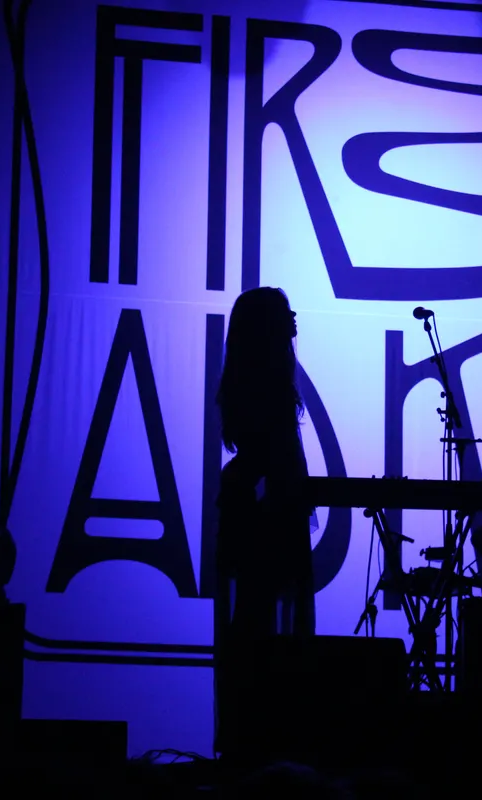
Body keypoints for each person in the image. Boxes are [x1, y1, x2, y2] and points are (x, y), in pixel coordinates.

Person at [212, 287, 316, 759]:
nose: (294, 320)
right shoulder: (269, 389)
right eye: (285, 314)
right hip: (267, 513)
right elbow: (270, 455)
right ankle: (258, 737)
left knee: (253, 621)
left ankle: (248, 734)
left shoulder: (257, 383)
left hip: (264, 508)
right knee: (259, 623)